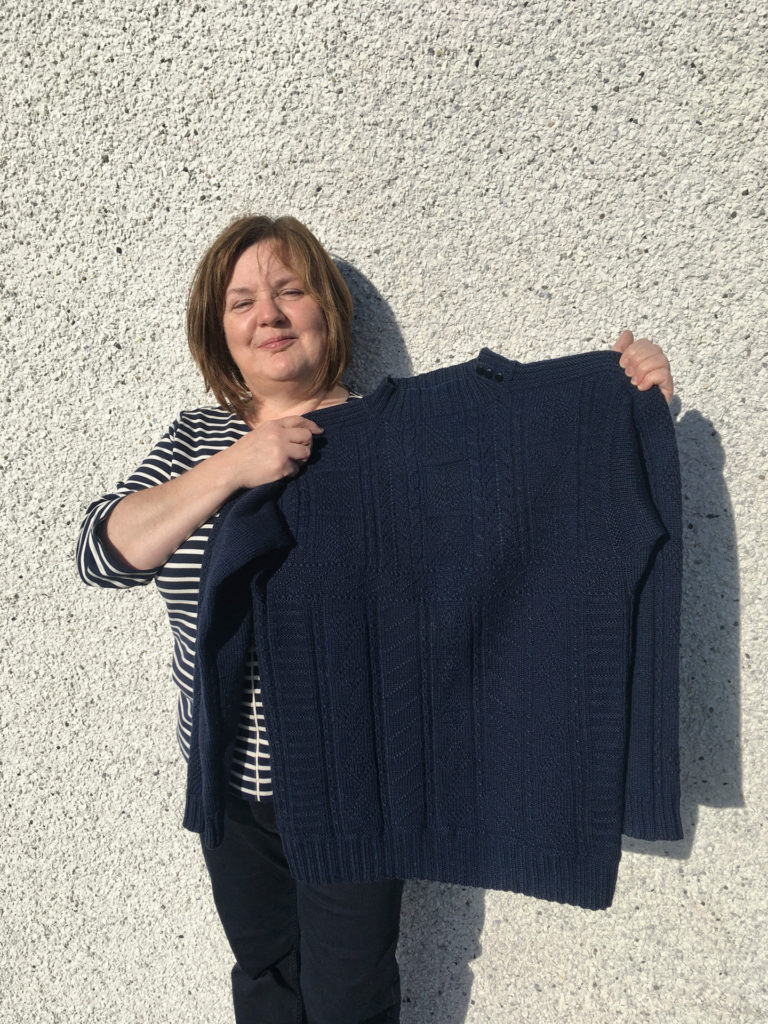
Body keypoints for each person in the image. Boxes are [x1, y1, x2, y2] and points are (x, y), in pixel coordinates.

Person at [76, 214, 676, 1024]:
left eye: (290, 291)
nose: (269, 315)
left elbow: (525, 521)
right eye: (243, 301)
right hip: (224, 777)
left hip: (351, 776)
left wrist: (624, 412)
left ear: (327, 309)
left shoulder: (394, 440)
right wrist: (238, 465)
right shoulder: (198, 439)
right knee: (263, 978)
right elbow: (103, 553)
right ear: (219, 331)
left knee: (350, 999)